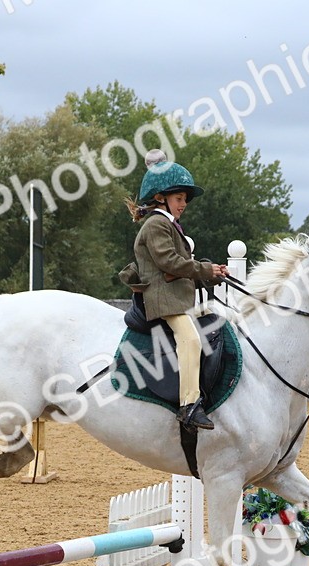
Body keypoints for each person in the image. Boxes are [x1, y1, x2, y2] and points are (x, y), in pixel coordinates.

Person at [119, 150, 229, 432]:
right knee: (191, 340)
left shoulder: (168, 224)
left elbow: (182, 269)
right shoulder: (156, 224)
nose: (184, 204)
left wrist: (212, 273)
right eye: (179, 198)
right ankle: (189, 405)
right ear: (161, 198)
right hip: (163, 299)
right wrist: (204, 270)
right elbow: (169, 263)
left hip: (176, 297)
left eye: (184, 200)